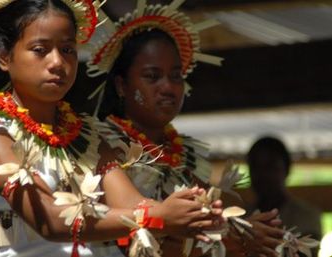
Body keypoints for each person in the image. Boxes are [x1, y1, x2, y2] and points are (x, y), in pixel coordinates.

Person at [0, 1, 225, 257]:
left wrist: (192, 211)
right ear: (4, 57)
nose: (57, 62)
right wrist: (157, 217)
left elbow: (131, 203)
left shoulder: (85, 137)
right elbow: (51, 220)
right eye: (40, 49)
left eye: (67, 49)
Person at [85, 1, 285, 256]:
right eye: (152, 76)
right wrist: (235, 240)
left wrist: (243, 229)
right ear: (122, 85)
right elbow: (135, 234)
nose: (168, 87)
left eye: (176, 76)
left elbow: (209, 219)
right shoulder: (99, 143)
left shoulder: (184, 155)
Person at [247, 136, 322, 245]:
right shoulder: (241, 218)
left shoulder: (307, 216)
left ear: (287, 169)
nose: (263, 175)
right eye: (256, 167)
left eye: (270, 167)